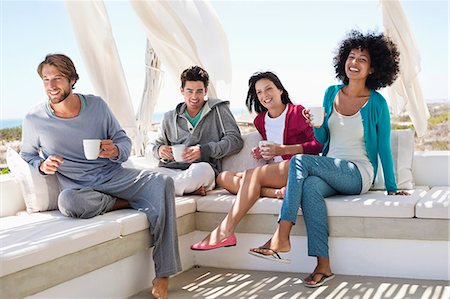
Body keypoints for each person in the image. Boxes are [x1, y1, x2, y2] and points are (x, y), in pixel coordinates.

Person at [249, 30, 409, 288]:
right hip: (330, 168)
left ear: (373, 68)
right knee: (310, 188)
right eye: (351, 56)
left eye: (362, 59)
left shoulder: (377, 104)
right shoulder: (330, 92)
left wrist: (392, 187)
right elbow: (322, 140)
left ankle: (281, 235)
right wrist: (317, 125)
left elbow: (383, 148)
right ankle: (323, 266)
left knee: (299, 162)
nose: (354, 62)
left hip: (358, 173)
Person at [20, 54, 180, 299]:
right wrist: (43, 165)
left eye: (58, 79)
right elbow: (28, 153)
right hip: (80, 189)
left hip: (114, 176)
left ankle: (163, 273)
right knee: (68, 202)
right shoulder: (35, 119)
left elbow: (123, 141)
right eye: (46, 79)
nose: (51, 86)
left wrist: (116, 150)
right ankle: (129, 202)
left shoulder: (97, 106)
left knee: (163, 181)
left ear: (72, 80)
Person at [190, 71, 322, 250]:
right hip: (274, 174)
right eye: (259, 92)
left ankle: (225, 231)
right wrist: (262, 152)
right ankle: (275, 193)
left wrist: (283, 149)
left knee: (251, 176)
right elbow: (271, 148)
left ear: (280, 90)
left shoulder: (298, 112)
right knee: (222, 177)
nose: (264, 95)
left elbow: (318, 145)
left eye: (268, 89)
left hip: (297, 168)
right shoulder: (260, 120)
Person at [152, 66, 243, 196]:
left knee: (202, 170)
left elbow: (235, 140)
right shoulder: (169, 117)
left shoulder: (218, 110)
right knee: (148, 176)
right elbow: (154, 145)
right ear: (182, 91)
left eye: (199, 91)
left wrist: (204, 150)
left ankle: (165, 189)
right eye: (189, 91)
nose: (194, 96)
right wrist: (159, 150)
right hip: (170, 169)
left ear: (206, 91)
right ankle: (187, 190)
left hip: (201, 169)